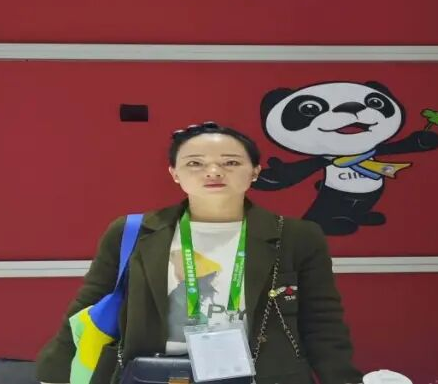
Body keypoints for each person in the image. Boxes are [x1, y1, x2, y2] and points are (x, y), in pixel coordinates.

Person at [35, 122, 362, 384]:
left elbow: (322, 321)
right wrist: (54, 373)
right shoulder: (133, 231)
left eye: (231, 162)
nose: (214, 171)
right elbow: (89, 303)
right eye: (195, 163)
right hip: (155, 373)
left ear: (255, 171)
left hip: (265, 374)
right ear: (174, 173)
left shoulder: (297, 236)